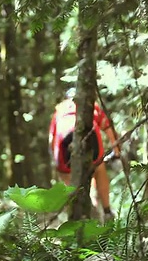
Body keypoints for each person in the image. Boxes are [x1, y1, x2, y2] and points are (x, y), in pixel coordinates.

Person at [48, 88, 120, 219]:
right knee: (98, 168)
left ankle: (76, 213)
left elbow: (52, 140)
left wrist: (58, 164)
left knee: (68, 178)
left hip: (62, 139)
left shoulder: (59, 110)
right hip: (90, 134)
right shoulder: (91, 105)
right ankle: (107, 211)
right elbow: (108, 127)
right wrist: (117, 151)